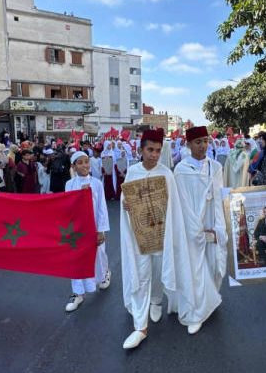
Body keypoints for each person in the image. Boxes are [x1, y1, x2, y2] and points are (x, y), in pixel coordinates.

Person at [119, 129, 194, 349]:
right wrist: (125, 204)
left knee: (160, 269)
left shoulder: (166, 174)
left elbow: (174, 206)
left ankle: (157, 301)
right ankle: (140, 327)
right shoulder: (133, 171)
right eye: (150, 150)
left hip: (162, 233)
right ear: (141, 150)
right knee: (141, 273)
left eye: (158, 150)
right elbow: (126, 198)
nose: (154, 154)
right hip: (139, 234)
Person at [172, 126, 228, 335]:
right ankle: (196, 310)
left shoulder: (216, 167)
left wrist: (220, 226)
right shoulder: (181, 169)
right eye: (198, 142)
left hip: (213, 223)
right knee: (194, 269)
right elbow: (182, 202)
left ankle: (209, 301)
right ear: (188, 145)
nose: (203, 146)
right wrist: (196, 228)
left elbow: (220, 196)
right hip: (191, 226)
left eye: (205, 141)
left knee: (214, 265)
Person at [64, 151, 111, 312]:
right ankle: (78, 292)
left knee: (99, 255)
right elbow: (68, 207)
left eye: (86, 162)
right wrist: (80, 195)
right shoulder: (69, 185)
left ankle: (104, 274)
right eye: (80, 163)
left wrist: (101, 230)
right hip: (77, 229)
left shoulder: (96, 183)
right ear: (74, 166)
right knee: (76, 259)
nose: (85, 165)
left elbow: (101, 207)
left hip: (94, 227)